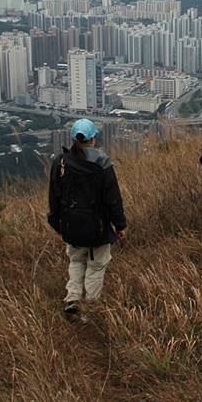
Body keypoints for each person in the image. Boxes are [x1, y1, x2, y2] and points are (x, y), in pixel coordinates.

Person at [47, 118, 127, 318]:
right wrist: (119, 225)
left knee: (76, 261)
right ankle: (89, 309)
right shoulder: (102, 161)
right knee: (96, 266)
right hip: (98, 227)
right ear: (93, 139)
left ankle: (73, 299)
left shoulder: (61, 162)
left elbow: (54, 196)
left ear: (73, 139)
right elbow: (113, 199)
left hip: (71, 225)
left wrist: (56, 223)